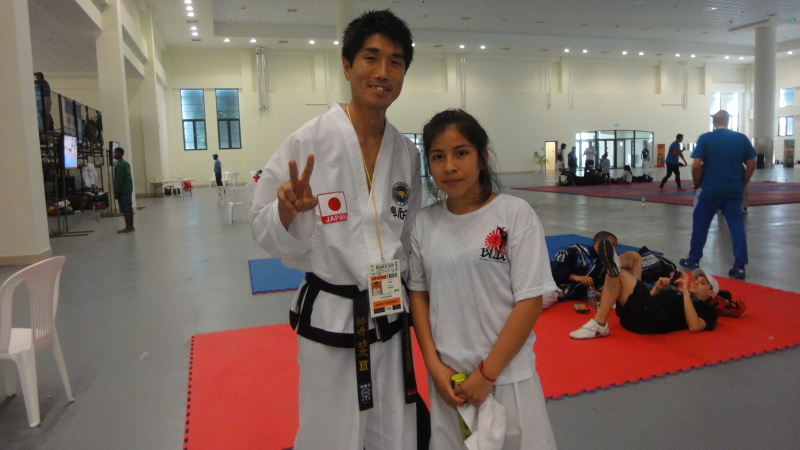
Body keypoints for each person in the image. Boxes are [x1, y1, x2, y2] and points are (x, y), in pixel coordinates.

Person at [250, 10, 422, 450]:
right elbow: (260, 222)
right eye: (371, 58)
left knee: (393, 429)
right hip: (333, 315)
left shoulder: (406, 153)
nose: (383, 72)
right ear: (347, 66)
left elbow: (408, 234)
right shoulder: (308, 142)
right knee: (329, 434)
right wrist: (285, 210)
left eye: (396, 62)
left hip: (389, 310)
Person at [409, 109, 557, 449]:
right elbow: (418, 294)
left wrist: (487, 374)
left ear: (482, 158)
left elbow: (530, 300)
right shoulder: (423, 223)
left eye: (461, 153)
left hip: (506, 376)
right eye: (438, 156)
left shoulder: (514, 214)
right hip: (450, 382)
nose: (449, 166)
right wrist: (433, 365)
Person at [570, 239, 719, 339]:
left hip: (649, 321)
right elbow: (650, 299)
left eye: (702, 283)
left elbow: (694, 326)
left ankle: (599, 323)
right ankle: (609, 267)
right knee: (634, 257)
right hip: (638, 312)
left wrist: (685, 293)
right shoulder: (676, 290)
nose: (696, 282)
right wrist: (657, 289)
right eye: (696, 280)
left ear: (711, 293)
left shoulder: (708, 309)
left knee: (618, 273)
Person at [679, 110, 756, 279]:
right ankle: (739, 266)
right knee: (737, 227)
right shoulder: (741, 138)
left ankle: (693, 260)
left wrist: (697, 184)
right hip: (733, 191)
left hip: (709, 190)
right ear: (728, 121)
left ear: (714, 122)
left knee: (700, 225)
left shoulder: (705, 138)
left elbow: (696, 166)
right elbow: (751, 165)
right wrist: (741, 184)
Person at [550, 231, 620, 301]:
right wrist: (575, 277)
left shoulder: (606, 263)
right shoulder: (575, 249)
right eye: (612, 245)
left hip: (576, 299)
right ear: (599, 244)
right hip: (554, 290)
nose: (614, 249)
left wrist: (598, 292)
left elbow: (603, 284)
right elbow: (554, 266)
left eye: (615, 246)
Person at [113, 148, 134, 233]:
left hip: (123, 190)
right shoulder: (126, 163)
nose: (114, 154)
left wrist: (116, 191)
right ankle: (131, 227)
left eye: (115, 153)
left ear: (119, 153)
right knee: (129, 208)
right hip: (128, 188)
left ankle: (128, 227)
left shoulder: (120, 165)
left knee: (125, 209)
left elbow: (119, 179)